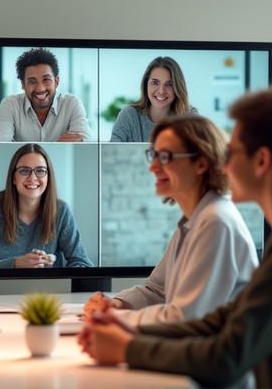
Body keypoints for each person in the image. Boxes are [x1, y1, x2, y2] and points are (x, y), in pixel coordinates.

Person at [79, 87, 272, 388]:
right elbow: (220, 321)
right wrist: (125, 325)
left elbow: (228, 355)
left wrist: (128, 347)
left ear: (261, 161)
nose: (224, 163)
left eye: (232, 152)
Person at [85, 115, 258, 326]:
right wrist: (117, 304)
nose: (153, 167)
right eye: (154, 155)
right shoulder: (193, 221)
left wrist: (117, 319)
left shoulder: (216, 222)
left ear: (201, 163)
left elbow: (185, 317)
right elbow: (157, 290)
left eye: (165, 157)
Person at [0, 143, 93, 268]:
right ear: (13, 178)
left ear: (48, 177)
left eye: (40, 171)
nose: (32, 178)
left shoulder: (61, 210)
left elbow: (82, 263)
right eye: (24, 171)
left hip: (48, 288)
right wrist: (17, 264)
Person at [0, 48, 90, 142]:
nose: (40, 88)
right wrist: (59, 146)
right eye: (32, 81)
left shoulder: (72, 104)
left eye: (46, 79)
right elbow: (0, 148)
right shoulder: (10, 105)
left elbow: (83, 147)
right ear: (23, 85)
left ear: (56, 81)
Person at [111, 56, 194, 142]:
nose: (161, 91)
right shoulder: (129, 116)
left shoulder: (190, 119)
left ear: (177, 87)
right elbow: (110, 153)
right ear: (145, 84)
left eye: (169, 84)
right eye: (155, 83)